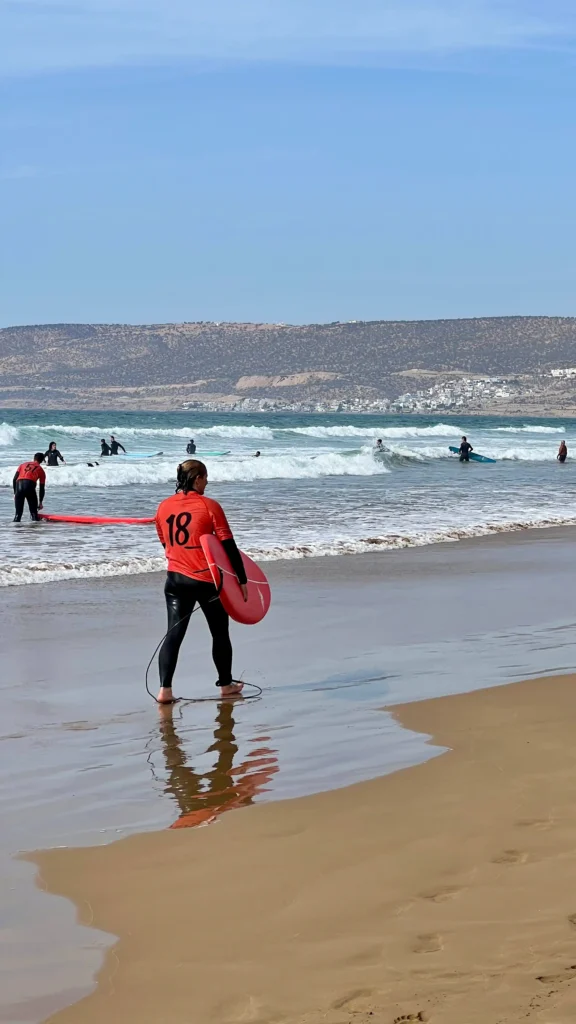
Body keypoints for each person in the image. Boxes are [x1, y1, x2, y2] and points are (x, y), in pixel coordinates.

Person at [155, 459, 248, 704]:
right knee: (219, 632)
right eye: (206, 478)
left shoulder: (163, 507)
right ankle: (225, 684)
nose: (207, 482)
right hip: (207, 580)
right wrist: (242, 579)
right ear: (198, 479)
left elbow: (166, 543)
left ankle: (165, 690)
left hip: (175, 580)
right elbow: (228, 545)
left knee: (173, 634)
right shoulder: (209, 506)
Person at [13, 453, 46, 522]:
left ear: (34, 458)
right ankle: (34, 531)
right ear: (42, 461)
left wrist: (15, 493)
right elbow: (42, 488)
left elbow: (14, 479)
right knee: (34, 514)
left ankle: (14, 531)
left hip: (19, 485)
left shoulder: (22, 465)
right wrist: (40, 502)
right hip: (29, 486)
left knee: (17, 515)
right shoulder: (41, 470)